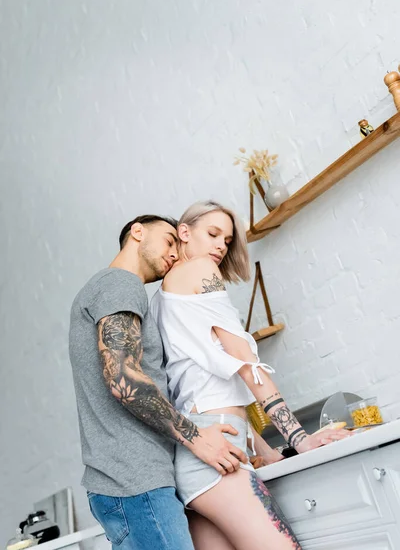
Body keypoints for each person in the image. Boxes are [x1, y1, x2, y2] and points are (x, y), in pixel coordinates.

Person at [150, 200, 352, 550]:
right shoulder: (200, 271)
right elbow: (245, 364)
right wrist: (299, 439)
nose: (219, 246)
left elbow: (213, 391)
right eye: (212, 234)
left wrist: (265, 450)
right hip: (217, 457)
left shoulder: (160, 298)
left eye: (227, 241)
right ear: (184, 232)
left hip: (196, 457)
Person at [69, 214, 251, 550]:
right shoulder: (120, 284)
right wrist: (198, 439)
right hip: (136, 483)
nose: (173, 252)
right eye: (168, 240)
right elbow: (123, 377)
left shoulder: (106, 289)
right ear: (137, 233)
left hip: (129, 483)